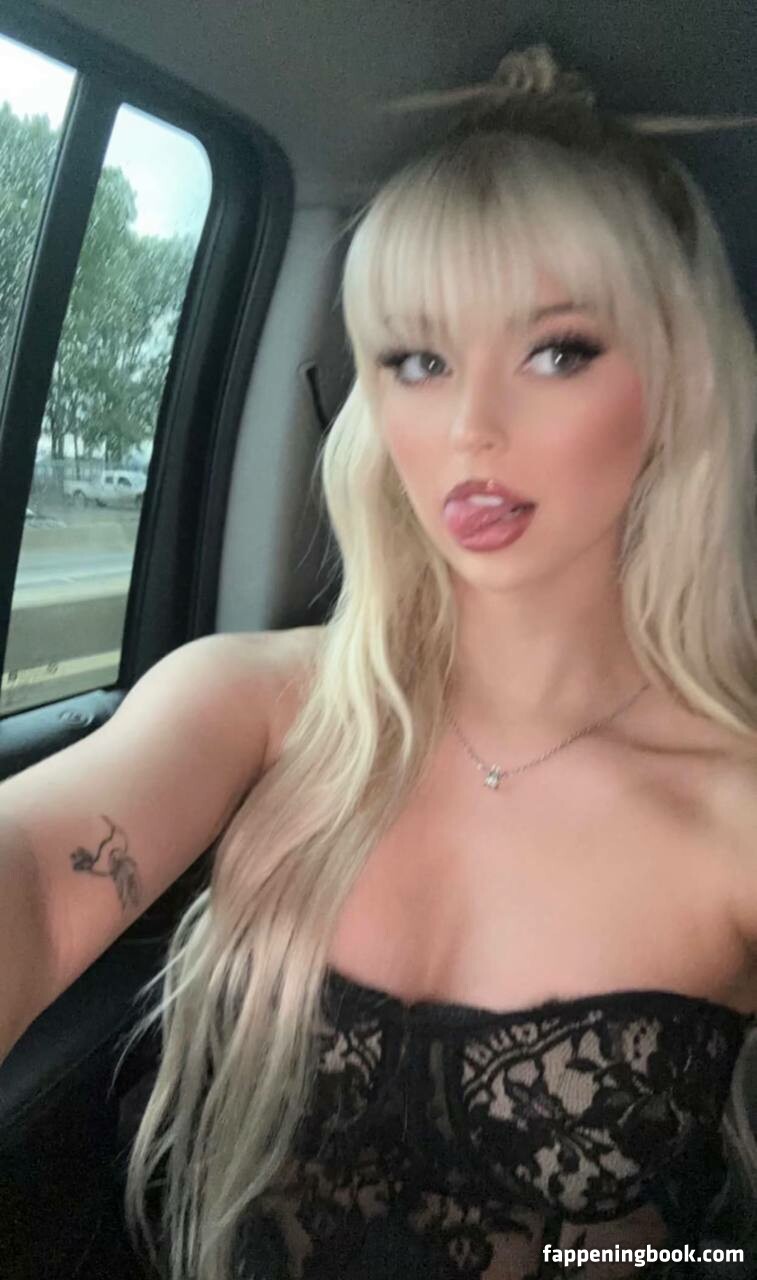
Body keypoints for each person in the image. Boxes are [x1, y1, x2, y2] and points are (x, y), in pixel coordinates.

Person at [2, 40, 757, 1280]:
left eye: (557, 350)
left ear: (677, 388)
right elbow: (36, 878)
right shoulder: (256, 702)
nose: (469, 427)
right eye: (417, 360)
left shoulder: (732, 801)